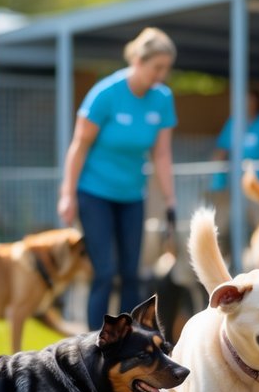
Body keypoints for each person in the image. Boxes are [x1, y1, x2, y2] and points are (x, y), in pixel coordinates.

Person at [57, 27, 178, 329]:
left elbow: (161, 154)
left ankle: (127, 342)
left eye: (166, 69)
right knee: (104, 271)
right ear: (138, 60)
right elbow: (79, 146)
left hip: (132, 195)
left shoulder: (162, 99)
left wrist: (170, 199)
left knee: (131, 272)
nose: (161, 75)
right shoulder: (106, 94)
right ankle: (93, 342)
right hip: (94, 192)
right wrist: (67, 193)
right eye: (156, 68)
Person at [210, 88, 259, 194]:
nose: (247, 104)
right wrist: (217, 175)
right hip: (240, 183)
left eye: (250, 100)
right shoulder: (233, 122)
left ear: (257, 103)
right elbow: (221, 149)